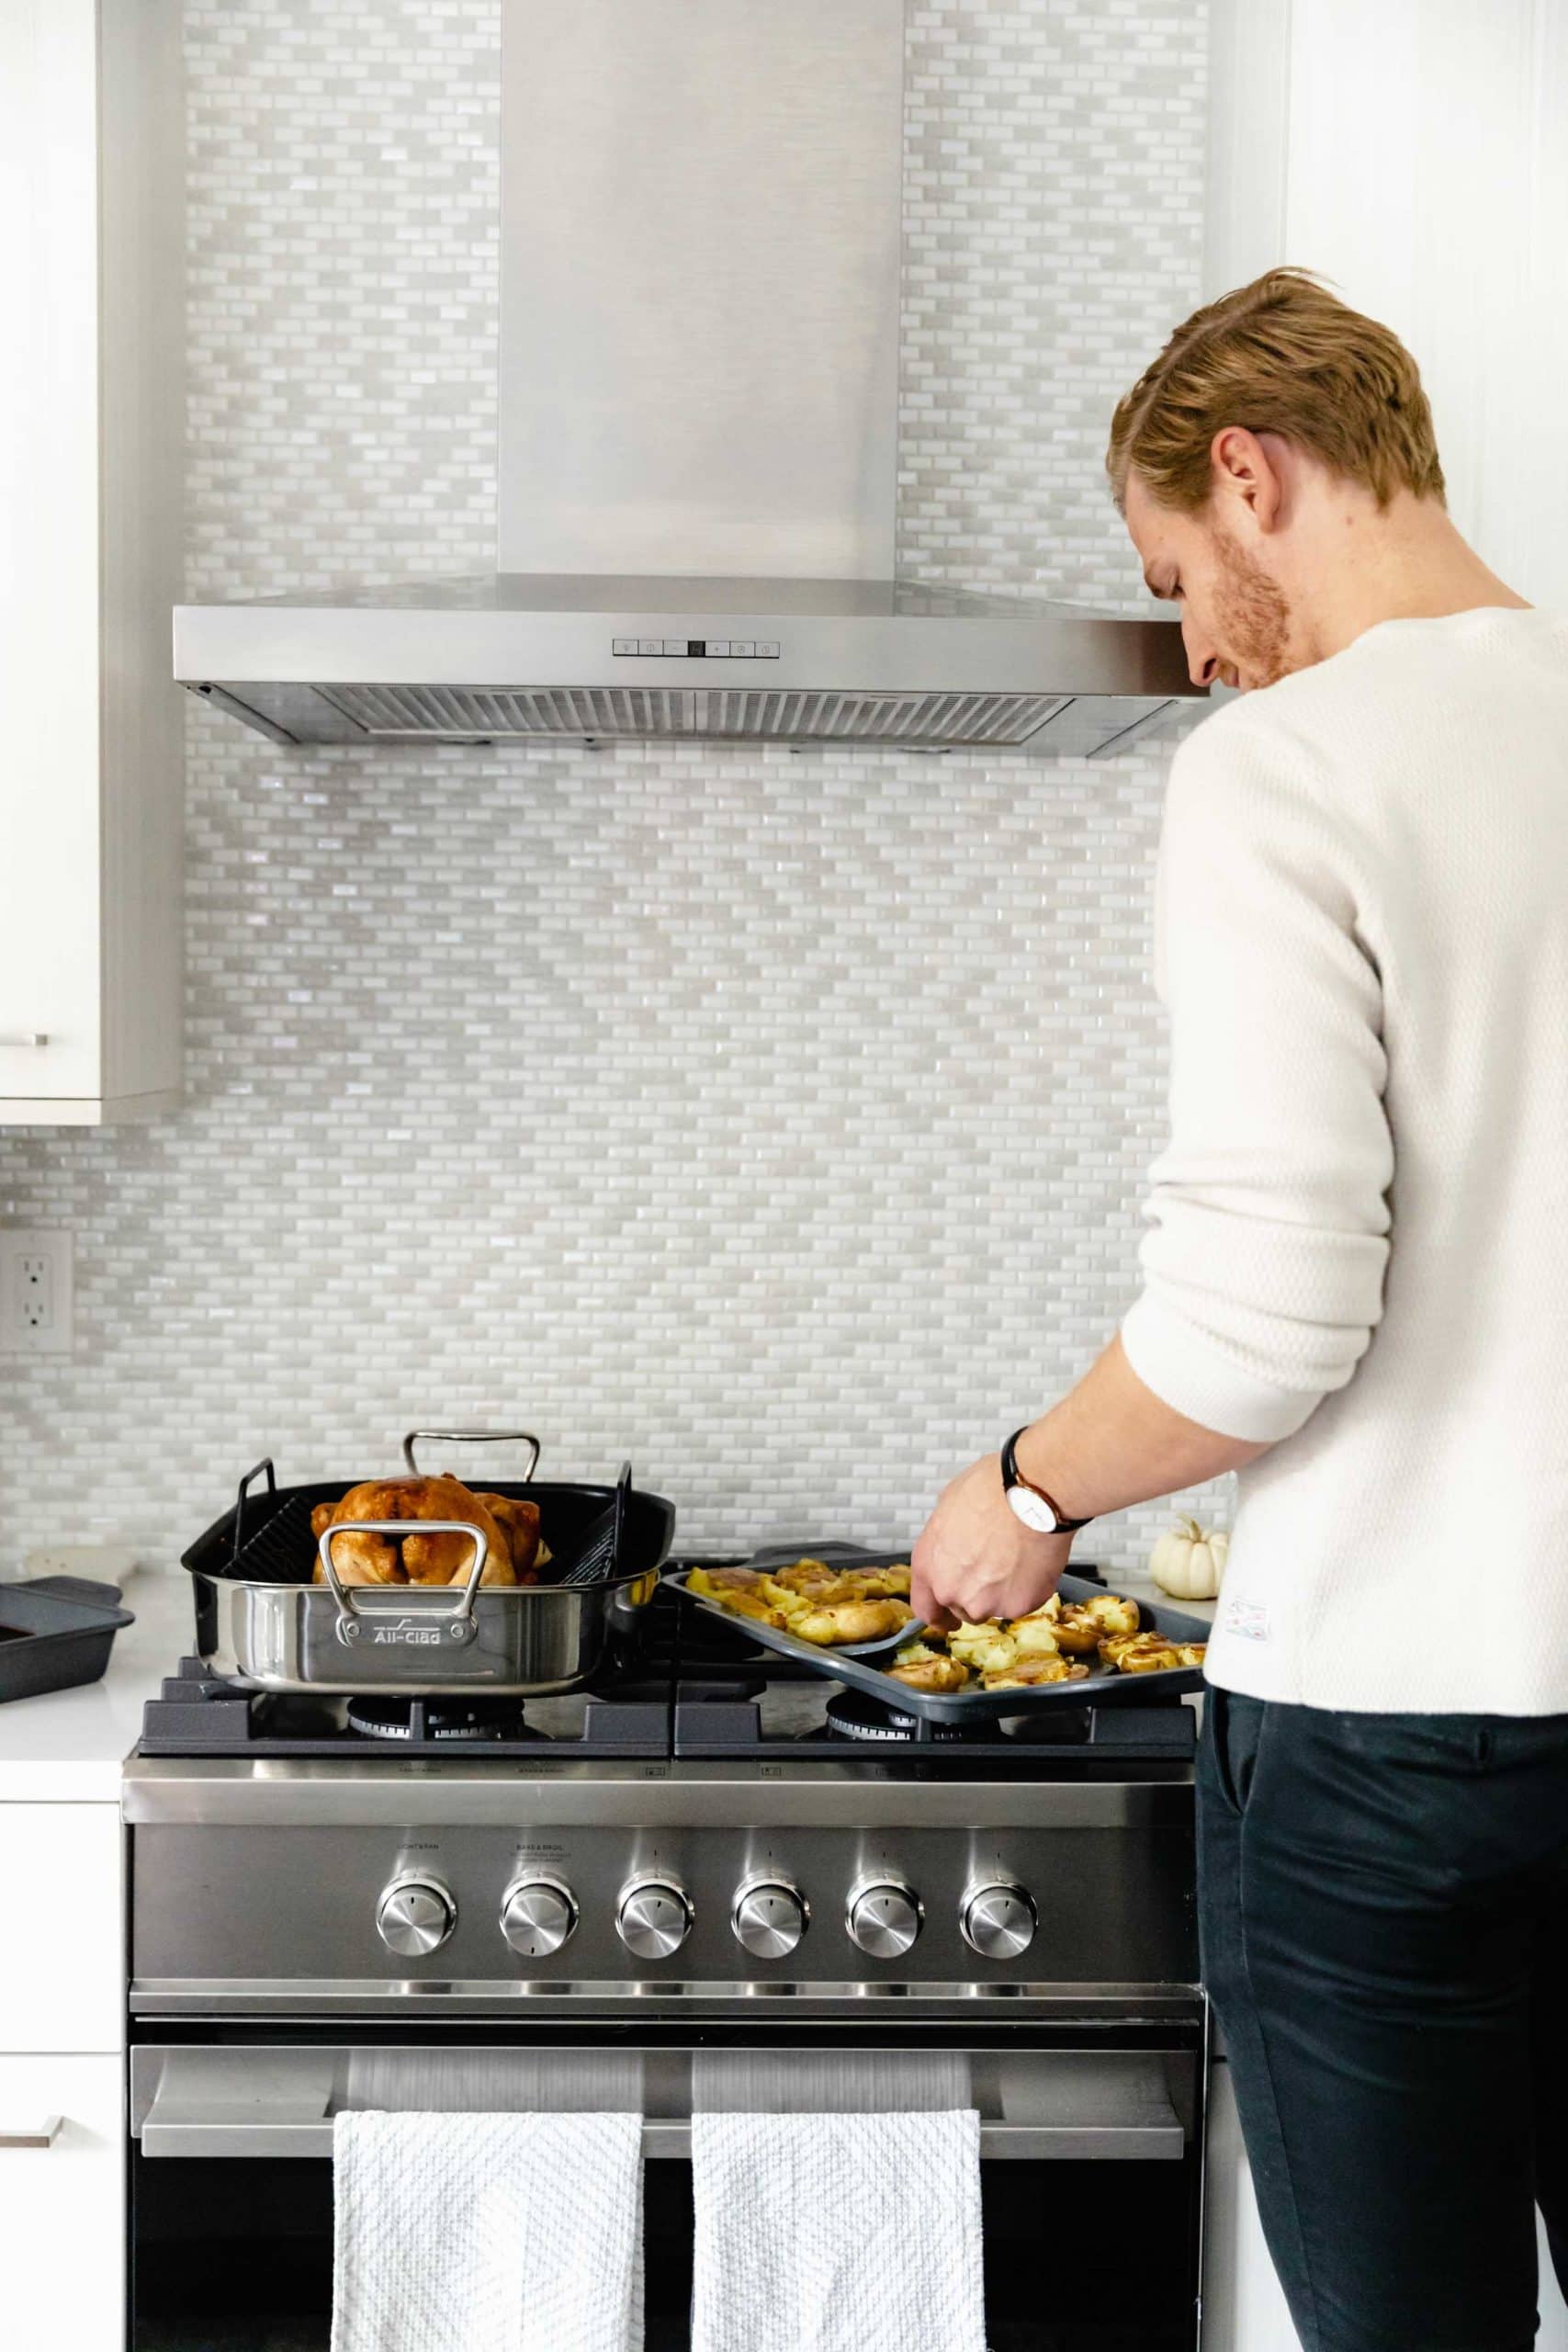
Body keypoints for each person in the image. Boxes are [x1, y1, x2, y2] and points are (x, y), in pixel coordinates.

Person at [910, 268, 1568, 2352]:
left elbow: (1263, 1313)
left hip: (1395, 1737)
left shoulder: (1283, 766)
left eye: (1174, 572)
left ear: (1248, 472)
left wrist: (1023, 1483)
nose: (1189, 644)